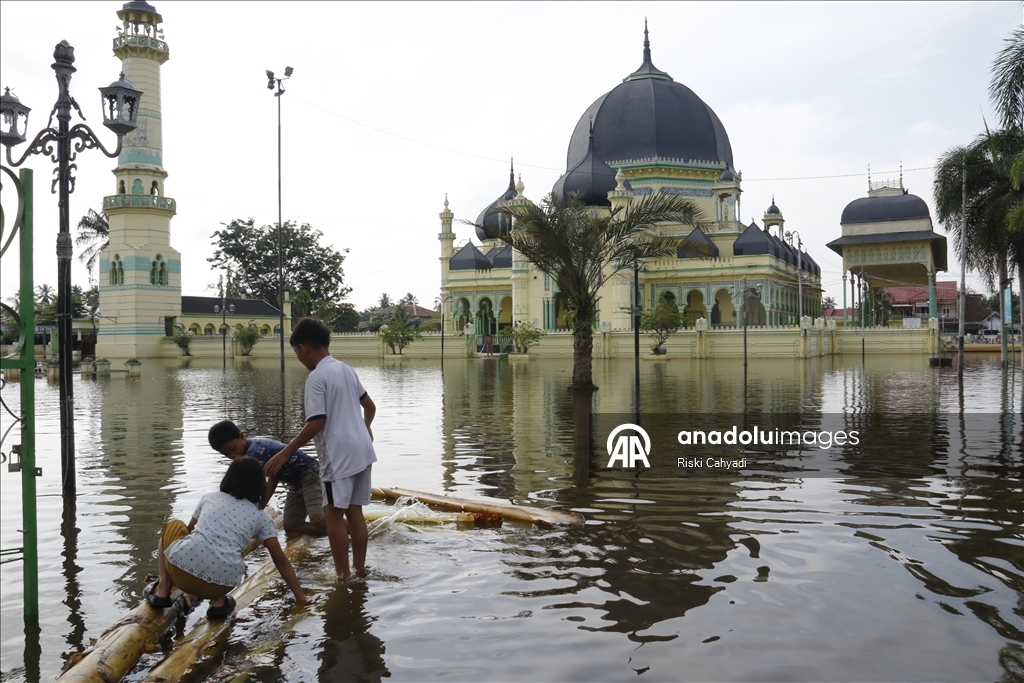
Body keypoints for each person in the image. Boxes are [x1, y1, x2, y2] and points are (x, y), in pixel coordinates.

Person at [265, 317, 377, 582]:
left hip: (338, 454)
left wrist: (285, 452)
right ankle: (360, 569)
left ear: (303, 347)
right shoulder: (346, 369)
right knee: (355, 511)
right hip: (362, 448)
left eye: (296, 352)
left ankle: (342, 575)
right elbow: (370, 407)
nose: (298, 358)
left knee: (333, 514)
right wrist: (366, 428)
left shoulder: (317, 377)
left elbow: (317, 422)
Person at [145, 456, 305, 619]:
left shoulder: (210, 497)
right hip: (221, 585)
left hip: (183, 578)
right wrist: (301, 598)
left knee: (173, 525)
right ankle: (218, 604)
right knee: (229, 549)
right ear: (260, 486)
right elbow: (281, 561)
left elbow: (189, 530)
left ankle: (162, 590)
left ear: (228, 478)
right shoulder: (261, 518)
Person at [208, 420, 326, 536]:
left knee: (317, 519)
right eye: (227, 455)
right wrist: (262, 505)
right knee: (292, 526)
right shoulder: (250, 447)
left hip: (309, 473)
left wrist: (253, 508)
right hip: (294, 481)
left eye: (233, 449)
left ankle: (339, 529)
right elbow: (273, 477)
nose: (233, 456)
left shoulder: (253, 454)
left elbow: (251, 486)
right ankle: (335, 533)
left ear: (241, 436)